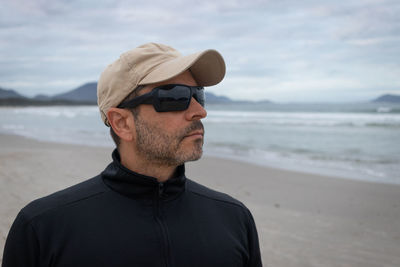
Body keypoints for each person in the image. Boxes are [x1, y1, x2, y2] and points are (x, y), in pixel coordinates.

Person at [2, 43, 262, 267]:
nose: (199, 112)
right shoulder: (42, 227)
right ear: (122, 123)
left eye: (198, 96)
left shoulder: (234, 219)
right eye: (175, 96)